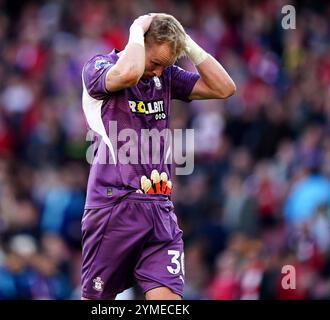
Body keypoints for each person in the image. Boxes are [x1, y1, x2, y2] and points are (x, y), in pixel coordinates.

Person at [81, 13, 235, 300]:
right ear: (141, 44)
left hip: (160, 208)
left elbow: (224, 88)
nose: (158, 73)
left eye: (166, 66)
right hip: (114, 205)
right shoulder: (99, 67)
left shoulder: (165, 76)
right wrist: (137, 28)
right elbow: (129, 73)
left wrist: (186, 42)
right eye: (155, 63)